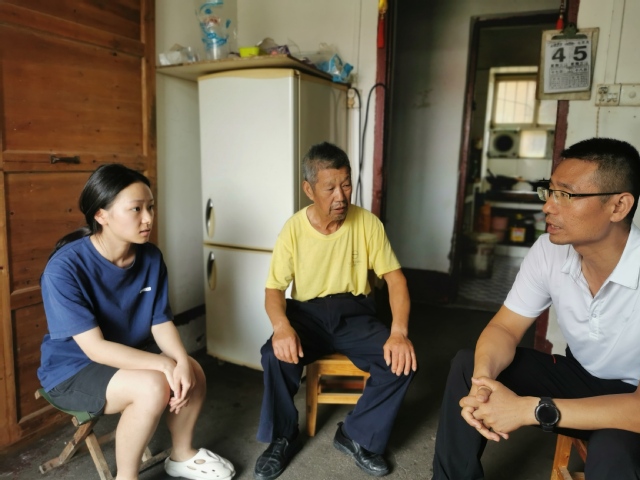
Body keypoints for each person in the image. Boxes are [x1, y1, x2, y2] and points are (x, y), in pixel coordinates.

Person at [432, 137, 640, 479]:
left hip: (630, 400)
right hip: (579, 376)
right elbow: (504, 328)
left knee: (614, 453)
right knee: (470, 365)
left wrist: (529, 409)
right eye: (550, 191)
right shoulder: (549, 250)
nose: (548, 207)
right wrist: (483, 384)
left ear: (619, 206)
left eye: (566, 195)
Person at [37, 164, 235, 480]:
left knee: (193, 371)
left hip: (127, 353)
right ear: (101, 215)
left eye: (150, 207)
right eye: (136, 209)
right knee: (153, 386)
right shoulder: (64, 269)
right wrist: (165, 365)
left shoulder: (150, 256)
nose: (148, 218)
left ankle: (181, 454)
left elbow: (160, 320)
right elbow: (96, 349)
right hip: (73, 369)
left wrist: (181, 361)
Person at [253, 142, 417, 480]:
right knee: (274, 355)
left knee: (401, 363)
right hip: (307, 315)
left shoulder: (368, 223)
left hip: (355, 314)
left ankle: (356, 435)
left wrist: (399, 332)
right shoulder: (293, 229)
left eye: (346, 184)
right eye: (330, 188)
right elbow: (274, 290)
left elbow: (396, 280)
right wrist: (282, 327)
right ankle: (282, 437)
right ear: (309, 190)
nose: (341, 196)